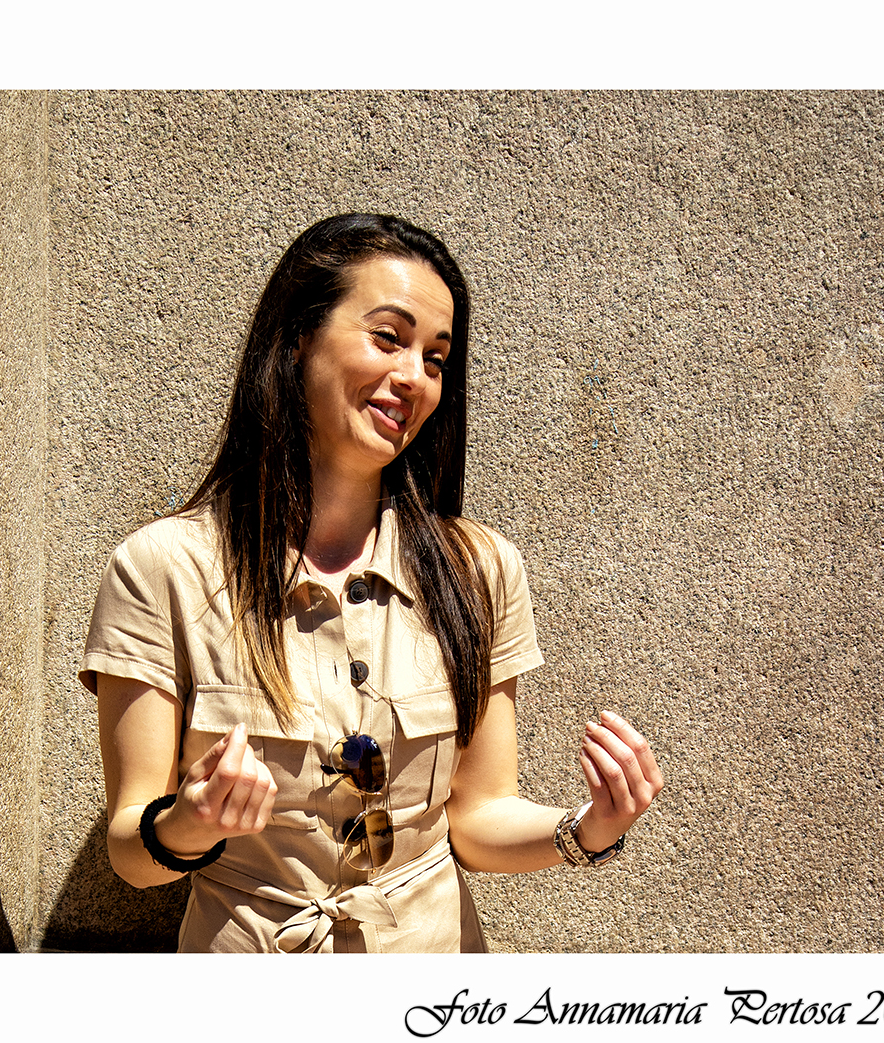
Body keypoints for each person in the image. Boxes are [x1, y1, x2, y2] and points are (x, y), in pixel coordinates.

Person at [79, 213, 662, 952]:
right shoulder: (162, 567)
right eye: (388, 337)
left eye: (436, 358)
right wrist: (189, 821)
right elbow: (131, 849)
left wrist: (585, 830)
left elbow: (478, 817)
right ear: (296, 341)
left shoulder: (478, 570)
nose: (414, 377)